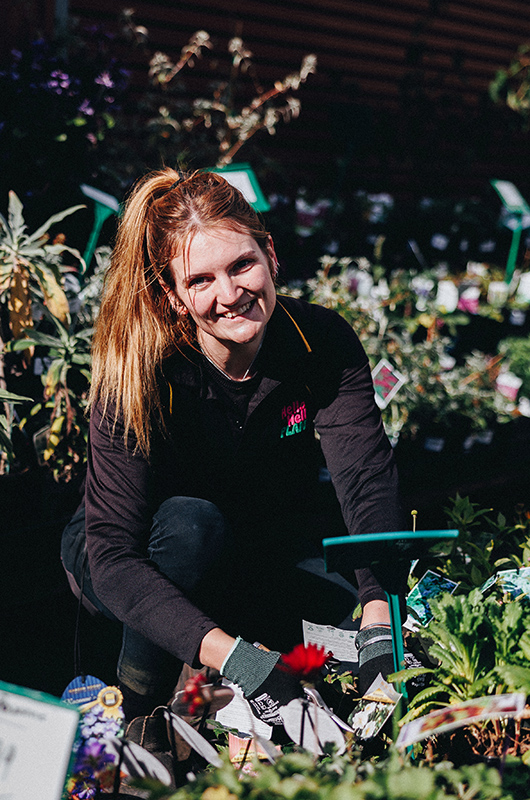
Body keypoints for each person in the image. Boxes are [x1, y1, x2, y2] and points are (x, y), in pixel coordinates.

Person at [61, 167, 408, 728]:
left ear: (270, 255)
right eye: (200, 280)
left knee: (348, 610)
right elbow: (113, 556)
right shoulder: (141, 373)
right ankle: (136, 715)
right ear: (174, 296)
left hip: (252, 537)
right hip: (135, 553)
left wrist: (376, 614)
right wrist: (242, 660)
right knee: (192, 527)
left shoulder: (320, 342)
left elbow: (366, 480)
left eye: (242, 265)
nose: (229, 295)